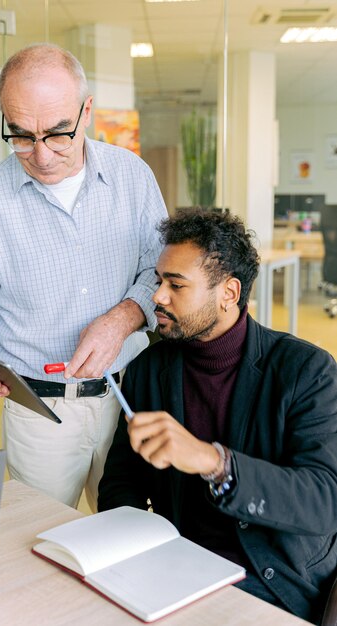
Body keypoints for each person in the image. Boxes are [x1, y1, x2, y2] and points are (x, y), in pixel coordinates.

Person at [0, 43, 167, 511]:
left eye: (58, 133)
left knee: (130, 538)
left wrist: (124, 317)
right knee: (41, 548)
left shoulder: (134, 177)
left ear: (87, 112)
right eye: (22, 135)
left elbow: (158, 272)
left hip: (130, 396)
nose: (41, 155)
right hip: (40, 414)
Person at [98, 210, 337, 624]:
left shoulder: (306, 372)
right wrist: (138, 556)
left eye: (176, 285)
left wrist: (215, 463)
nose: (157, 296)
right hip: (177, 575)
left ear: (229, 292)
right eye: (159, 281)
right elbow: (121, 484)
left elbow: (323, 502)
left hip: (273, 583)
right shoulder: (148, 370)